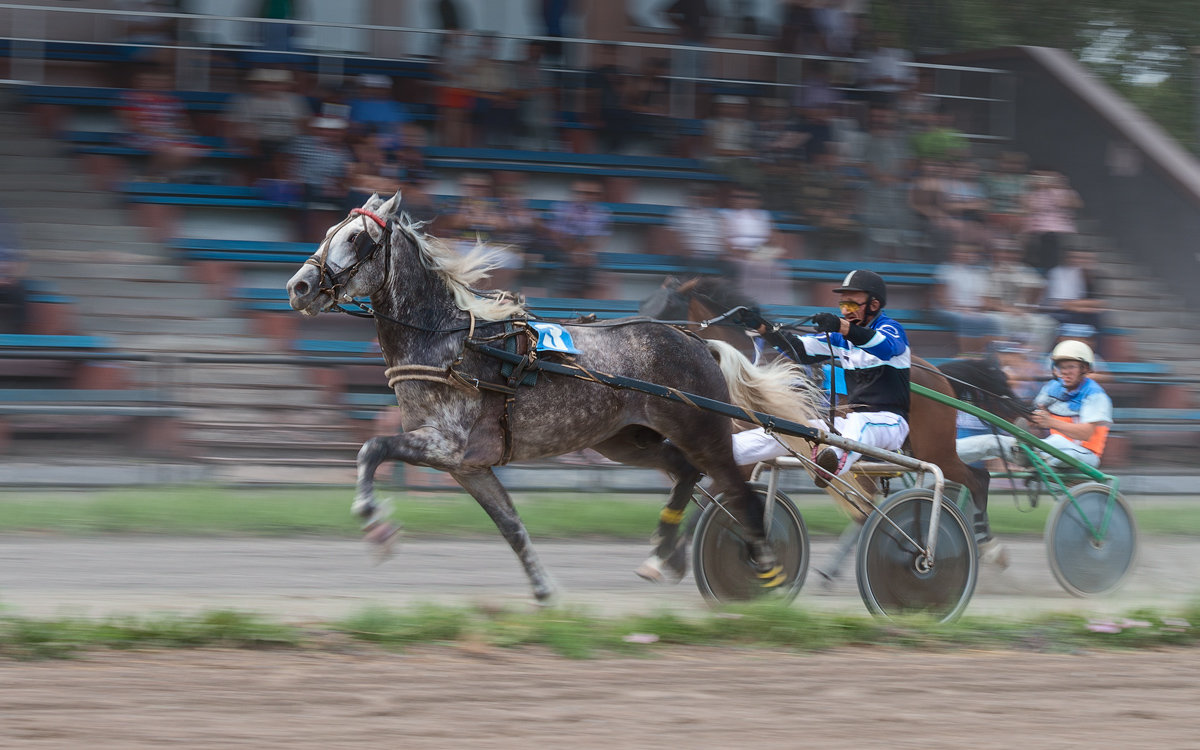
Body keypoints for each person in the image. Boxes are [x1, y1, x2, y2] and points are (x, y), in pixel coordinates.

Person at [731, 270, 911, 488]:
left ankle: (831, 463)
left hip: (891, 424)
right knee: (788, 430)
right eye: (843, 305)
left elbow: (885, 347)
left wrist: (842, 327)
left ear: (873, 305)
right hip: (851, 427)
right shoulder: (840, 338)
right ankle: (721, 452)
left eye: (853, 305)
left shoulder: (890, 328)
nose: (846, 310)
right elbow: (800, 350)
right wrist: (762, 327)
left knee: (859, 423)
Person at [957, 340, 1112, 471]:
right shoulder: (1052, 388)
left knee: (1055, 446)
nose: (1065, 372)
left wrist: (1050, 422)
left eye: (1071, 367)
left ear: (1084, 369)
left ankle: (1033, 458)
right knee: (991, 441)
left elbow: (1086, 434)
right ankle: (947, 455)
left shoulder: (1095, 395)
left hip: (1084, 454)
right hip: (1051, 447)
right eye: (1061, 367)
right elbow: (1032, 415)